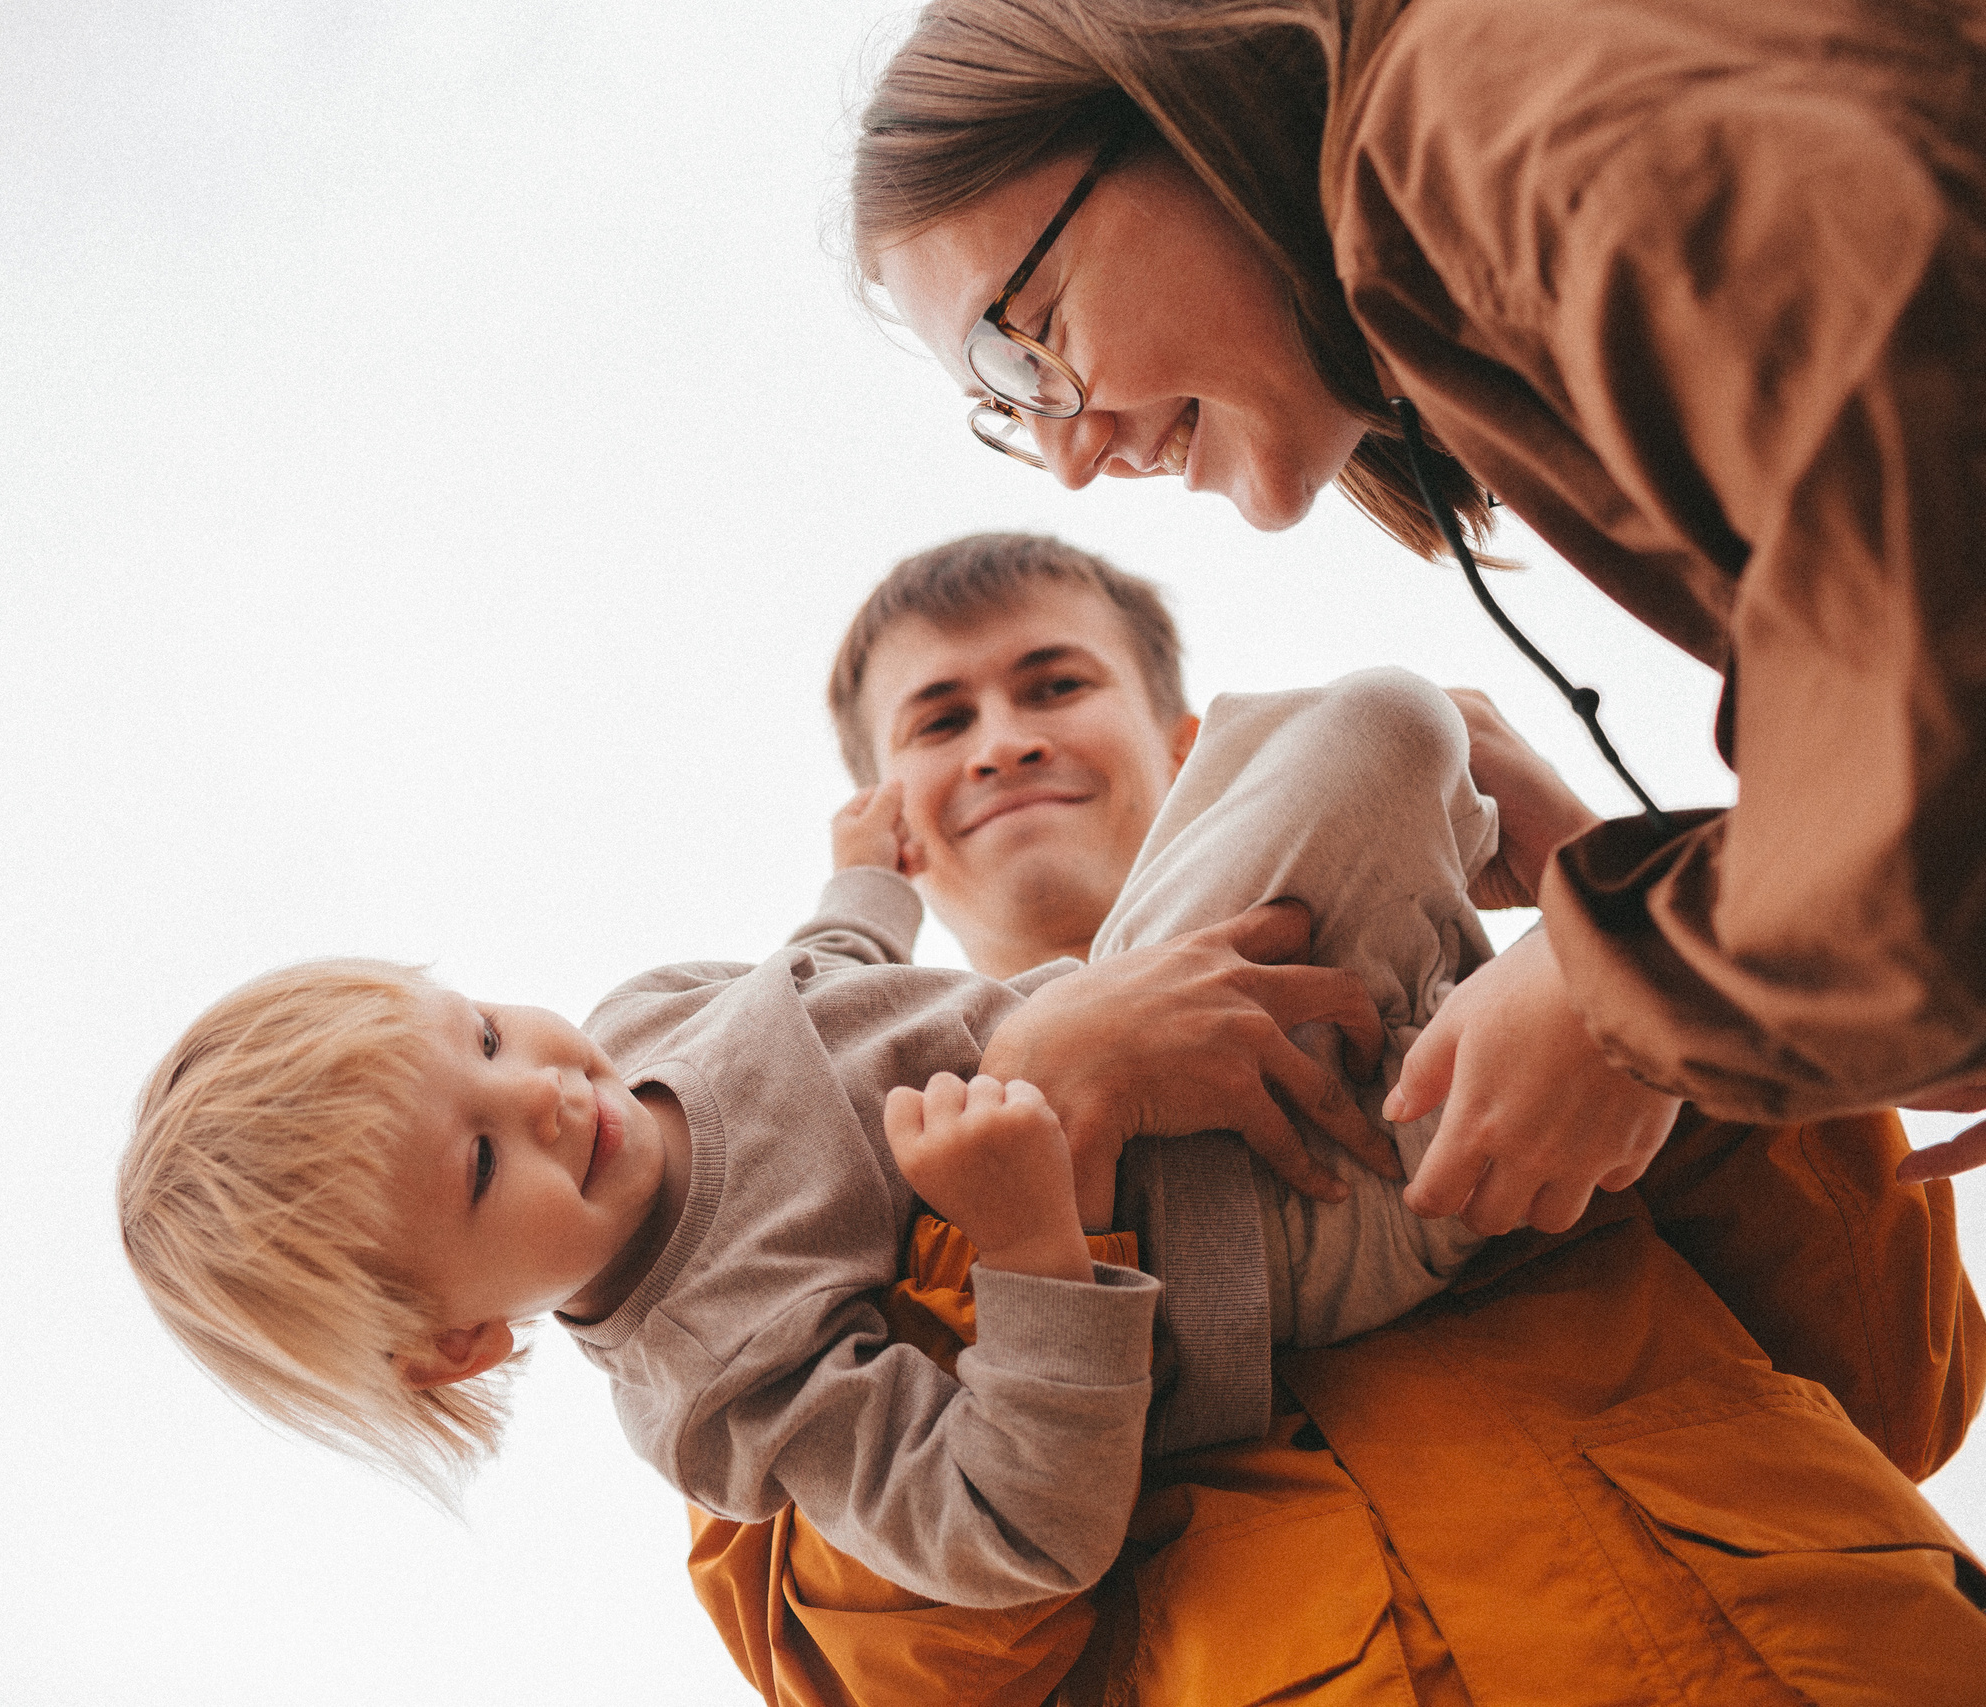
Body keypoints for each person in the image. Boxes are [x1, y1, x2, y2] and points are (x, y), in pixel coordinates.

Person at [684, 533, 1984, 1705]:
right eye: (939, 717)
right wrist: (1040, 1142)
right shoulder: (794, 1227)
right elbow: (905, 1679)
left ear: (1189, 748)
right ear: (887, 833)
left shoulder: (1495, 1014)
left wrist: (1616, 913)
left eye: (1057, 684)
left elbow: (1896, 1368)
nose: (1005, 738)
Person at [848, 0, 1986, 1226]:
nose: (1067, 456)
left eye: (1022, 348)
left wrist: (1615, 991)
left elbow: (1938, 725)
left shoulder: (1492, 116)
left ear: (1169, 106)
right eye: (1005, 409)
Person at [116, 662, 1527, 1608]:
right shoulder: (710, 1375)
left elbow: (817, 974)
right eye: (482, 1165)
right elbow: (1015, 1524)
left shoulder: (646, 1014)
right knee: (1401, 755)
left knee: (1328, 720)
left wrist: (862, 868)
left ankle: (1537, 915)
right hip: (1290, 1218)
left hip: (1192, 1008)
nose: (542, 1092)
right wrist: (1034, 1236)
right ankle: (1507, 1028)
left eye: (483, 1034)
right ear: (462, 1340)